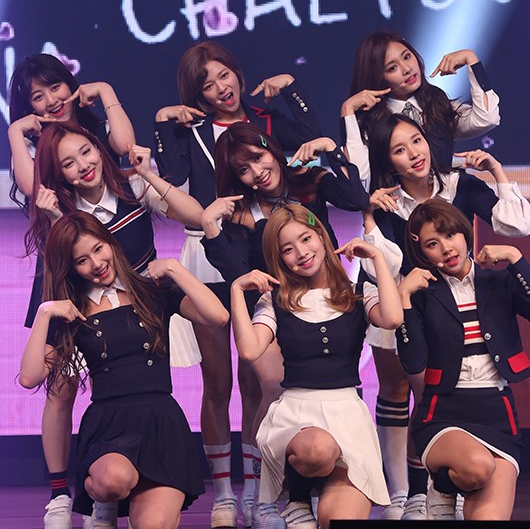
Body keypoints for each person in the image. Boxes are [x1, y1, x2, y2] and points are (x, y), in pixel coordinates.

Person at [154, 41, 320, 529]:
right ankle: (224, 494)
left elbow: (307, 140)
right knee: (217, 381)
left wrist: (293, 90)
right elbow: (173, 175)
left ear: (237, 73)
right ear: (196, 94)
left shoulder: (266, 118)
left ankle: (256, 490)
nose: (220, 88)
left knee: (256, 381)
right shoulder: (192, 130)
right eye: (207, 84)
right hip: (207, 253)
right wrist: (163, 122)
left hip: (253, 254)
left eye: (224, 75)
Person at [27, 122, 204, 529]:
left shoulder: (130, 186)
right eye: (68, 163)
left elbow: (195, 217)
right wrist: (55, 218)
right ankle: (63, 494)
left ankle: (124, 493)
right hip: (83, 305)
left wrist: (146, 172)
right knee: (59, 386)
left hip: (142, 303)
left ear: (99, 147)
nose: (83, 165)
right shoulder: (63, 213)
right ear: (59, 174)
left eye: (86, 151)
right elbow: (76, 258)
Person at [360, 113, 530, 520]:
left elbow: (517, 226)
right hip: (410, 299)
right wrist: (369, 216)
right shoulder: (384, 202)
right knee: (410, 389)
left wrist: (498, 173)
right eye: (399, 150)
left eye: (416, 141)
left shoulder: (460, 184)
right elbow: (384, 266)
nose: (413, 153)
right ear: (388, 161)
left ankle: (441, 484)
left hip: (461, 313)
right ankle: (409, 491)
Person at [200, 122, 368, 527]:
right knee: (275, 388)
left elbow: (356, 199)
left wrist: (332, 150)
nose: (256, 173)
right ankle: (263, 495)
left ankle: (315, 482)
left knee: (331, 386)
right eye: (243, 170)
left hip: (327, 301)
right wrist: (211, 229)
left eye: (258, 158)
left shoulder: (310, 179)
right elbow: (238, 273)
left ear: (271, 149)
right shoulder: (242, 213)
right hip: (275, 306)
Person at [19, 211, 229, 529]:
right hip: (110, 427)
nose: (96, 263)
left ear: (110, 243)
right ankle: (105, 502)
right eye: (82, 260)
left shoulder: (151, 291)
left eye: (98, 249)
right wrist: (45, 312)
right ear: (71, 268)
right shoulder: (72, 311)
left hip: (161, 426)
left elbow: (218, 316)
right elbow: (29, 377)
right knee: (113, 481)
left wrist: (175, 268)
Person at [230, 204, 403, 529]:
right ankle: (297, 497)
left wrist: (377, 258)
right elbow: (250, 350)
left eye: (306, 239)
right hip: (296, 418)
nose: (301, 253)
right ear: (279, 258)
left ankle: (304, 502)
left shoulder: (357, 293)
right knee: (317, 449)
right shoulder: (276, 301)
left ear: (321, 237)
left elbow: (392, 318)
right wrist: (236, 290)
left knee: (338, 520)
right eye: (287, 249)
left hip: (348, 417)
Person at [397, 199, 530, 520]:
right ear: (423, 253)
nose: (446, 248)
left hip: (498, 416)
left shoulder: (499, 281)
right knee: (477, 467)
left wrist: (515, 257)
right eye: (433, 244)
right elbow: (413, 362)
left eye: (450, 235)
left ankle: (448, 487)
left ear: (464, 233)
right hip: (442, 414)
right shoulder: (422, 294)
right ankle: (443, 485)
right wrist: (403, 297)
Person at [341, 31, 500, 186]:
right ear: (377, 77)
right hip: (398, 202)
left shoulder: (436, 101)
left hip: (447, 199)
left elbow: (486, 119)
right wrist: (347, 111)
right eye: (392, 68)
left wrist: (471, 59)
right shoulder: (370, 121)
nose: (407, 69)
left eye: (407, 57)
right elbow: (359, 178)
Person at [8, 53, 135, 202]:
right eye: (38, 97)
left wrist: (105, 90)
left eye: (55, 88)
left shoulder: (100, 129)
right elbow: (31, 188)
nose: (51, 101)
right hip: (67, 218)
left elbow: (126, 146)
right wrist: (14, 131)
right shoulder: (30, 148)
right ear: (31, 107)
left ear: (69, 84)